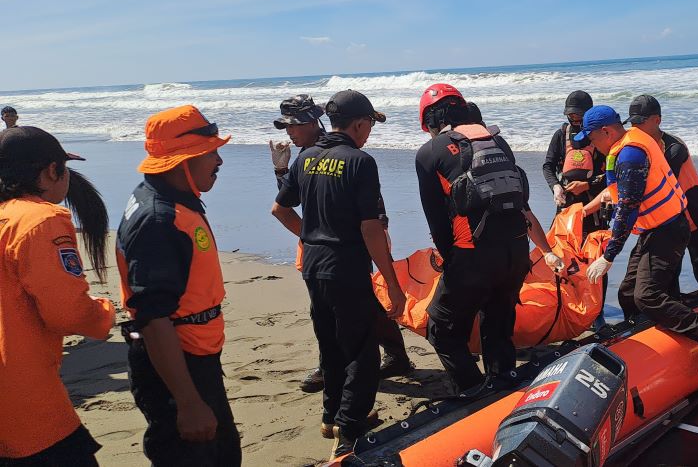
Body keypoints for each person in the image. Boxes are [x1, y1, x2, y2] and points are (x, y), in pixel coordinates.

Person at [272, 89, 407, 459]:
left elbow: (280, 210)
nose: (370, 134)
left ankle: (330, 416)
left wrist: (313, 237)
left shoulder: (306, 160)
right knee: (361, 353)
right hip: (346, 269)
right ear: (359, 124)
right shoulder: (360, 161)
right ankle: (349, 430)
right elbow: (370, 228)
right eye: (369, 127)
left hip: (314, 267)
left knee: (330, 346)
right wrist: (392, 284)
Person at [415, 83, 562, 395]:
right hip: (516, 251)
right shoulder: (498, 141)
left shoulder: (429, 152)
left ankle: (473, 392)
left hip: (474, 257)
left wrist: (452, 262)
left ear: (429, 121)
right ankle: (503, 380)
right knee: (497, 325)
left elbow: (437, 221)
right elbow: (520, 200)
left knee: (442, 329)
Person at [579, 106, 698, 380]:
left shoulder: (630, 154)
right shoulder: (631, 140)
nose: (592, 145)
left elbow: (628, 209)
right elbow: (622, 195)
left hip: (668, 231)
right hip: (655, 230)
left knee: (648, 295)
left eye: (593, 138)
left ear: (606, 131)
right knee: (628, 292)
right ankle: (647, 339)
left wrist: (608, 256)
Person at [116, 105, 241, 466]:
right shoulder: (159, 220)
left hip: (193, 356)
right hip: (176, 365)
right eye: (209, 153)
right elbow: (153, 318)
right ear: (181, 160)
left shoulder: (171, 199)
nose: (218, 161)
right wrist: (187, 402)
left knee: (223, 453)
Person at [0, 127, 115, 466]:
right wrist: (104, 315)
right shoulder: (41, 220)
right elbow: (67, 313)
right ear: (53, 171)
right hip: (26, 399)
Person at [626, 94, 698, 294]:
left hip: (694, 213)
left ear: (656, 120)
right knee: (670, 272)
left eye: (640, 123)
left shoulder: (673, 148)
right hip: (669, 219)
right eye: (632, 123)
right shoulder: (640, 147)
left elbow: (659, 182)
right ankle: (673, 306)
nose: (635, 129)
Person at [542, 90, 611, 328]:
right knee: (563, 254)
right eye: (570, 115)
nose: (574, 119)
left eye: (578, 115)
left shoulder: (600, 136)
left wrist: (588, 185)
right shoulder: (561, 135)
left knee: (596, 256)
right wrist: (555, 188)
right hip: (567, 207)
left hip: (596, 206)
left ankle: (597, 311)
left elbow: (612, 177)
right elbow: (548, 166)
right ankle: (569, 304)